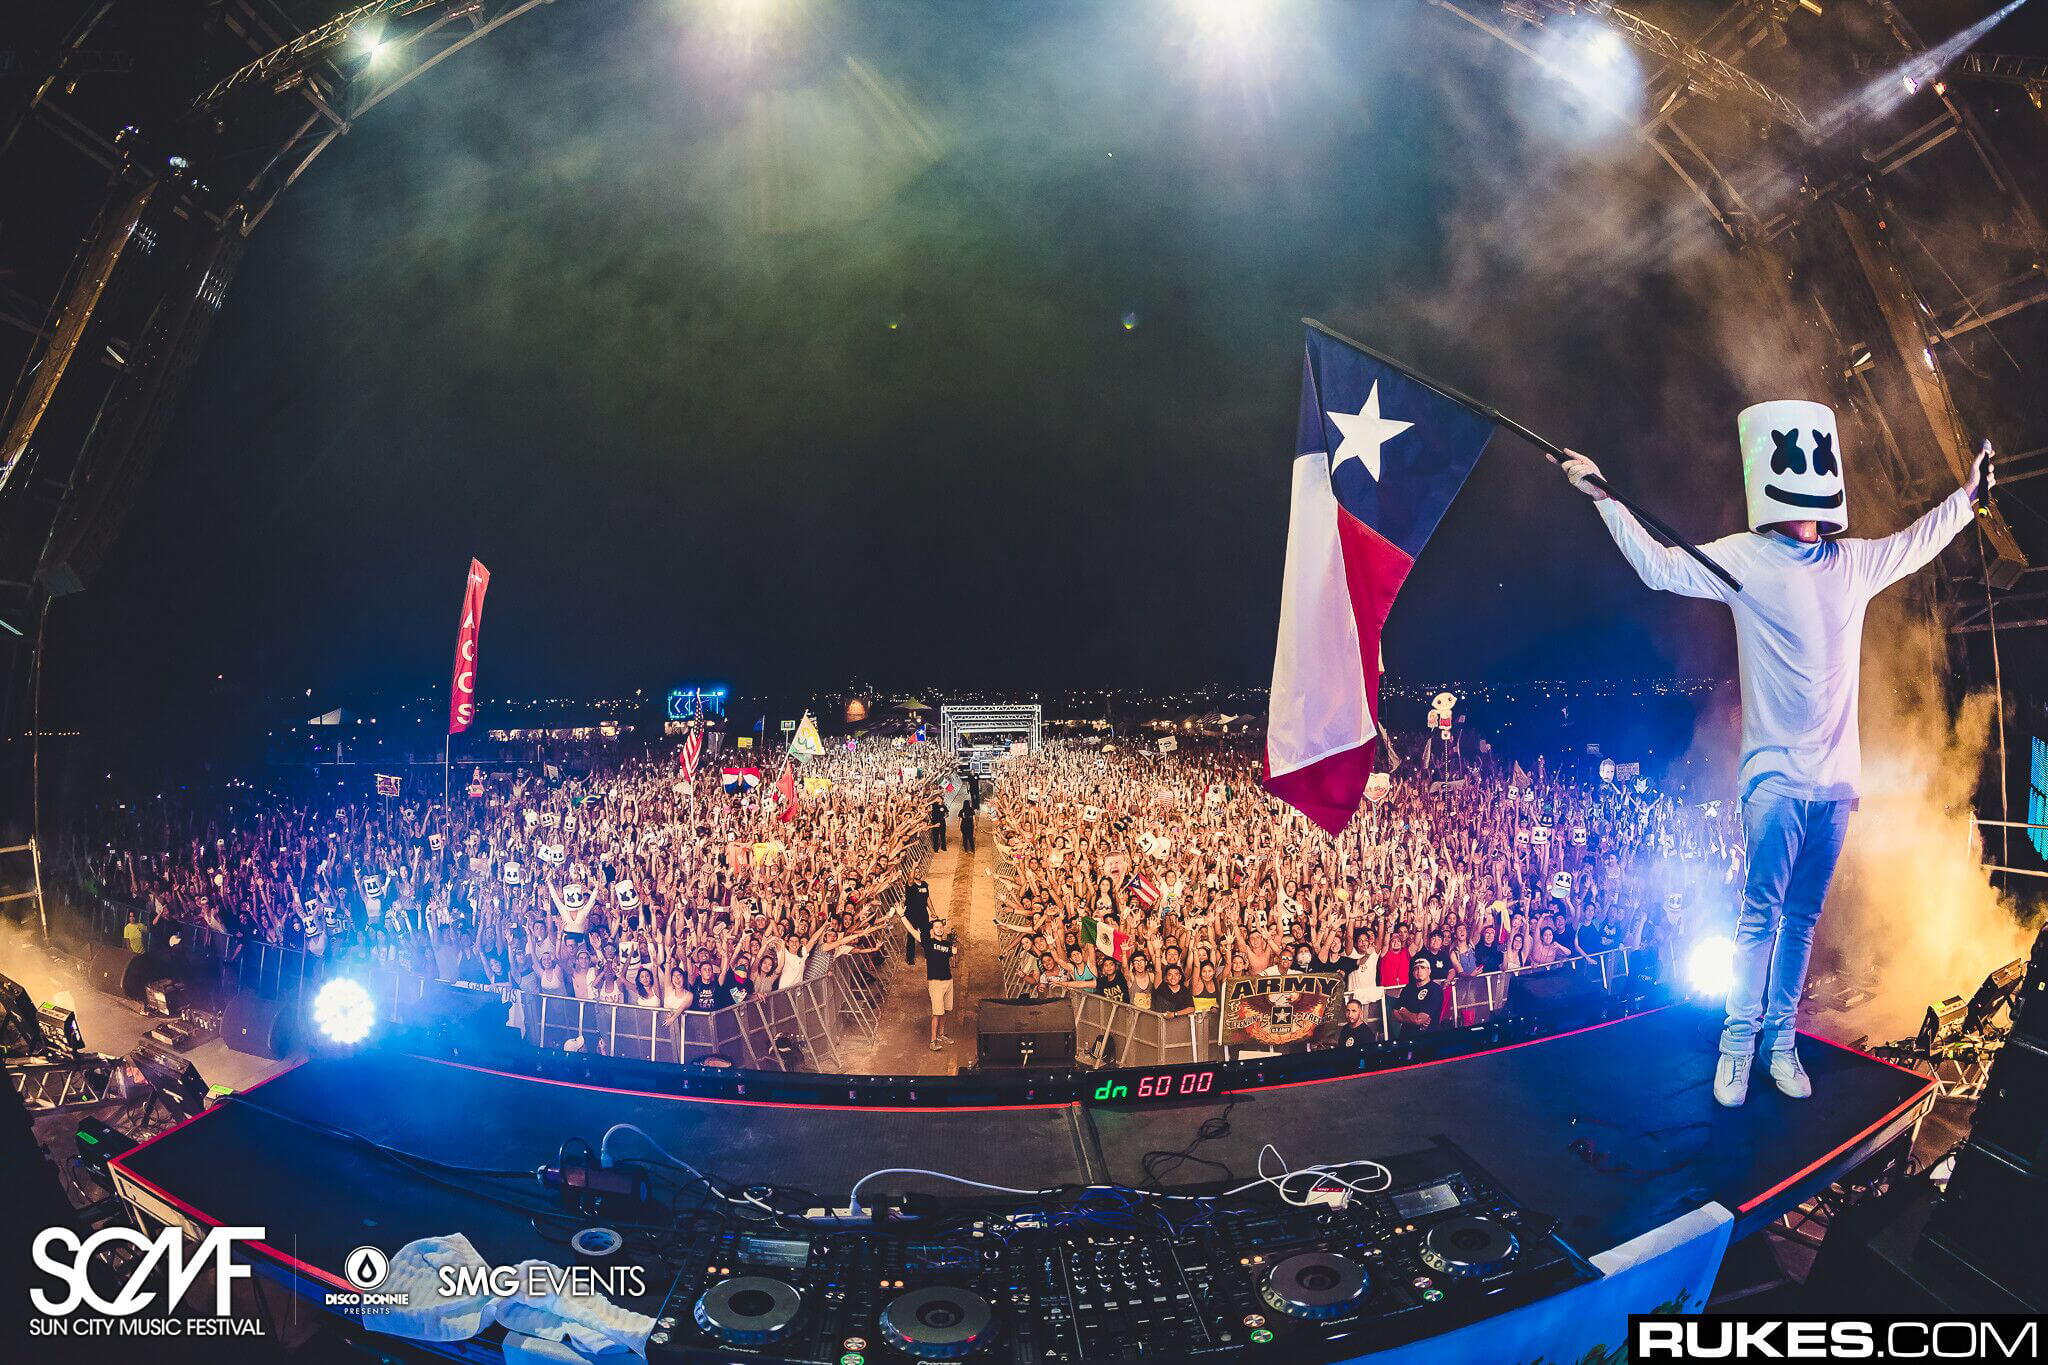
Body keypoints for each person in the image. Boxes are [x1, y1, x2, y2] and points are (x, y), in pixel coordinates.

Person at [1563, 409, 1991, 1107]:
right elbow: (1659, 569)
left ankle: (1780, 1045)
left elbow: (1916, 542)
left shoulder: (1852, 563)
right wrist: (1605, 499)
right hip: (1772, 784)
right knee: (1760, 918)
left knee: (1800, 920)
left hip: (1834, 789)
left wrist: (1967, 500)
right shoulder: (1745, 558)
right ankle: (1736, 1049)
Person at [1389, 957, 1441, 1042]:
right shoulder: (1408, 988)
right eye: (1416, 968)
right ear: (1413, 972)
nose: (1419, 971)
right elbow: (1394, 1014)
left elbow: (1419, 1019)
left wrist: (1404, 1012)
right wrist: (1413, 1019)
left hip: (1427, 1038)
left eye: (1423, 968)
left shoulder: (1435, 989)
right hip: (1405, 1036)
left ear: (1429, 971)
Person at [924, 916, 956, 1052]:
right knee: (936, 1013)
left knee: (946, 1010)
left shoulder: (947, 944)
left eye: (941, 927)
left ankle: (942, 1034)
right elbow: (913, 931)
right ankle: (933, 1040)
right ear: (932, 931)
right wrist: (902, 916)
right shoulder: (928, 943)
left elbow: (954, 964)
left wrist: (955, 952)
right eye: (936, 927)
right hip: (935, 982)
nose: (939, 929)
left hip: (948, 980)